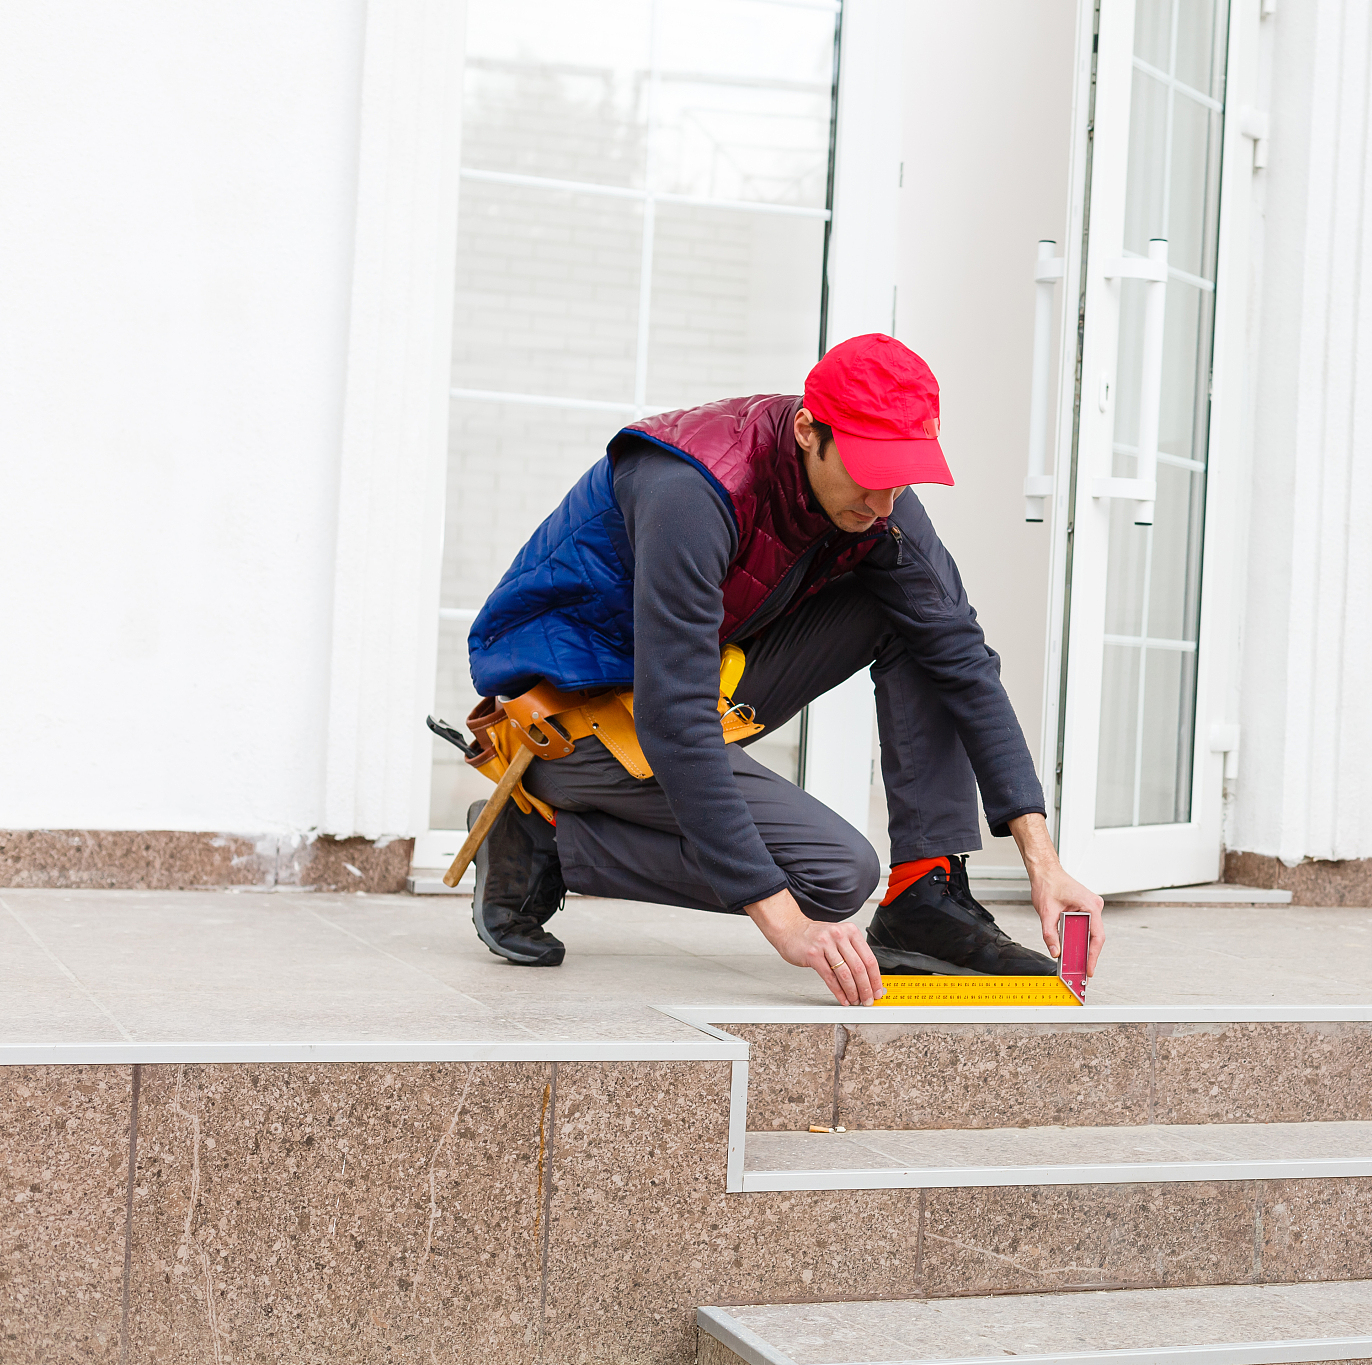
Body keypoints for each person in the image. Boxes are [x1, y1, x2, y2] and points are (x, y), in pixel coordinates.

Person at [457, 333, 1105, 1004]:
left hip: (687, 688)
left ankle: (925, 891)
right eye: (866, 474)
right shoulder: (690, 489)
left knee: (922, 617)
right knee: (831, 878)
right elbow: (672, 716)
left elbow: (963, 657)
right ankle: (545, 839)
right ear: (806, 431)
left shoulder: (871, 502)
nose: (883, 504)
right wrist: (784, 923)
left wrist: (1044, 862)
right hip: (568, 721)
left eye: (898, 479)